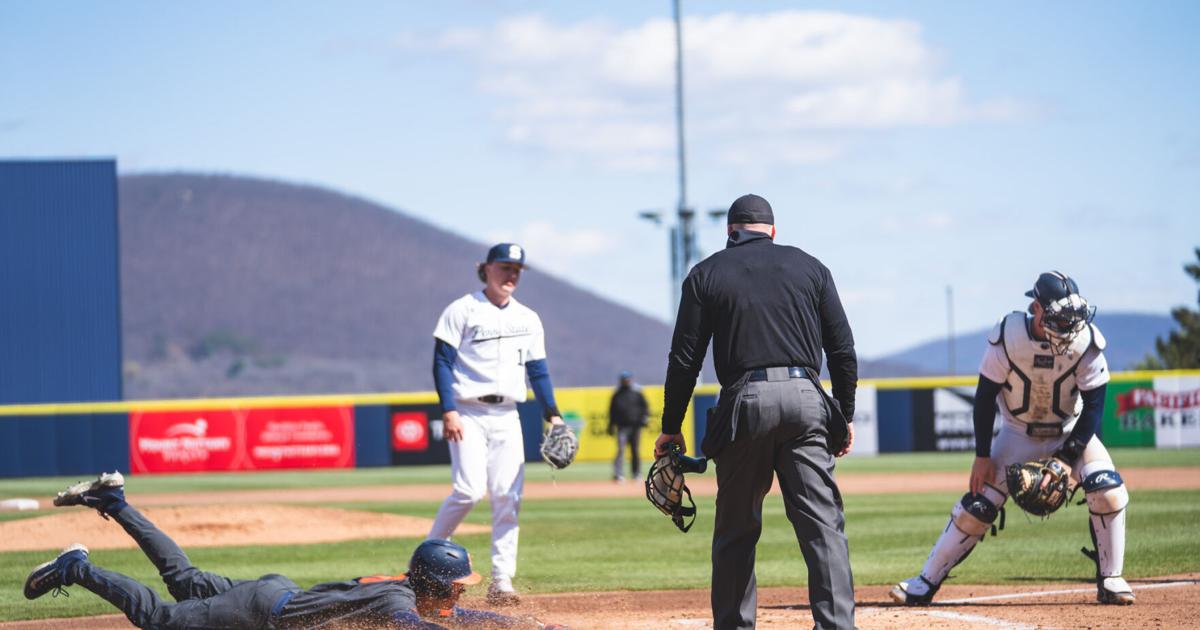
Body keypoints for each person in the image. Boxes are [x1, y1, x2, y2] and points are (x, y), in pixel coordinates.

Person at [655, 194, 858, 630]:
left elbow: (684, 359)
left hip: (746, 403)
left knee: (736, 531)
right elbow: (842, 350)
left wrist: (671, 427)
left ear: (731, 232)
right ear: (773, 231)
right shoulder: (811, 267)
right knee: (823, 529)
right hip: (807, 399)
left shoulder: (707, 273)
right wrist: (844, 416)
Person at [26, 471, 564, 629]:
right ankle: (79, 566)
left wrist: (517, 625)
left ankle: (116, 501)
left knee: (183, 574)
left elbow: (457, 616)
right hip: (261, 610)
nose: (456, 592)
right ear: (428, 581)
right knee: (162, 619)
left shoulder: (405, 591)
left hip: (276, 594)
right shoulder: (399, 608)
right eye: (454, 583)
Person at [891, 271, 1135, 606]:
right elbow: (984, 397)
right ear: (1036, 308)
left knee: (1106, 488)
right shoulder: (1008, 336)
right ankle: (924, 582)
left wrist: (1066, 459)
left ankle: (1111, 579)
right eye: (1059, 320)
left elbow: (1094, 408)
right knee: (976, 507)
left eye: (1071, 320)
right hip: (1017, 434)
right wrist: (981, 455)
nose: (1068, 329)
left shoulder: (1086, 341)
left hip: (1070, 431)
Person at [429, 243, 565, 606]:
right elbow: (442, 362)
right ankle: (424, 563)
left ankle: (502, 581)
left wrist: (552, 412)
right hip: (467, 410)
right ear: (486, 269)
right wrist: (448, 409)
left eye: (517, 269)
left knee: (509, 496)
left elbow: (537, 370)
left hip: (507, 414)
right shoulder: (463, 309)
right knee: (468, 491)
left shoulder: (528, 318)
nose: (512, 274)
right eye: (505, 267)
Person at [607, 370, 650, 482]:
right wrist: (611, 426)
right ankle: (618, 474)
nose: (626, 381)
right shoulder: (617, 394)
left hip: (636, 426)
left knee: (635, 451)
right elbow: (612, 411)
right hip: (622, 427)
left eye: (627, 379)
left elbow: (645, 407)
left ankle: (636, 473)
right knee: (621, 450)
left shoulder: (637, 392)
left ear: (630, 380)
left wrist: (644, 419)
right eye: (624, 379)